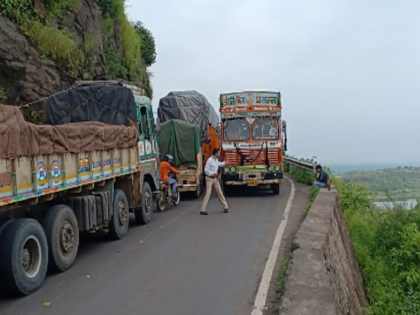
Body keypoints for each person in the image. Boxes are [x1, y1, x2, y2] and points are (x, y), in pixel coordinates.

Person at [200, 148, 229, 215]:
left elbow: (219, 164)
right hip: (209, 179)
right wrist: (212, 173)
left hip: (215, 179)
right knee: (208, 193)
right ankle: (202, 209)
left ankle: (225, 207)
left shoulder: (216, 160)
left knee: (220, 192)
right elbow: (206, 170)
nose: (219, 154)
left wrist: (225, 163)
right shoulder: (210, 160)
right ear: (216, 153)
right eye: (218, 153)